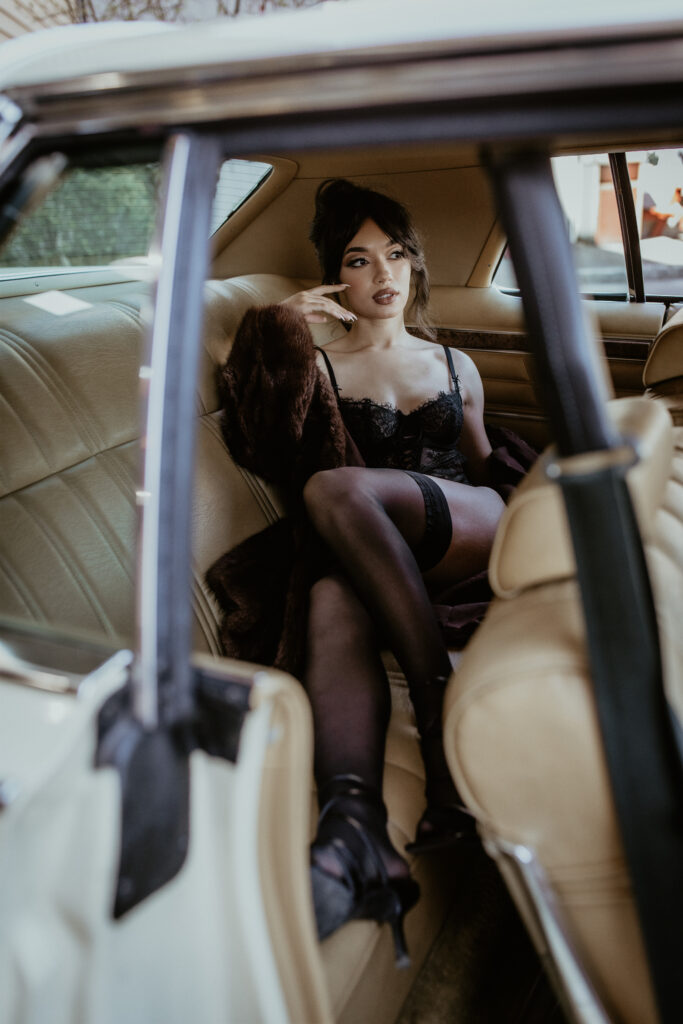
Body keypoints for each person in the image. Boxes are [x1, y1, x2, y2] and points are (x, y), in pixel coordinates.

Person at [210, 179, 526, 965]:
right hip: (380, 560)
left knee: (332, 489)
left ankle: (433, 693)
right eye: (359, 260)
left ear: (414, 267)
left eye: (395, 255)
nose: (383, 274)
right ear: (334, 279)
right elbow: (262, 442)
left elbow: (486, 467)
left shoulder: (454, 364)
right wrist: (282, 327)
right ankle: (352, 830)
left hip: (470, 528)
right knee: (326, 592)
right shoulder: (316, 366)